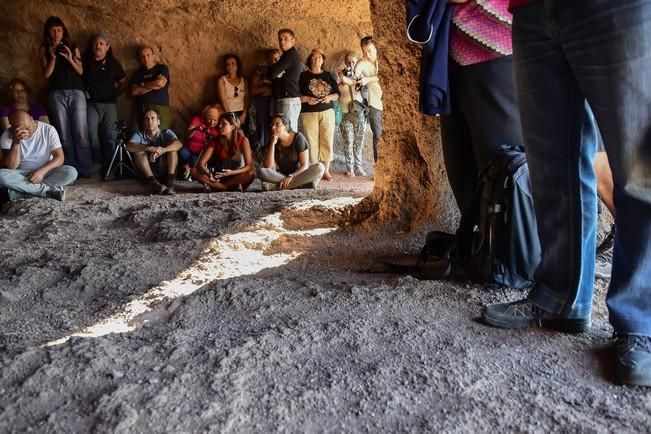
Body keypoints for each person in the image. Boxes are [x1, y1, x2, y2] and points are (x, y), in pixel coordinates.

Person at [482, 0, 651, 387]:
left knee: (640, 167)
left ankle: (642, 318)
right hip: (531, 10)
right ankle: (561, 294)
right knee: (551, 164)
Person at [440, 0, 522, 215]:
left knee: (500, 167)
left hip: (496, 53)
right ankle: (480, 243)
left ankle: (508, 244)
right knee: (463, 168)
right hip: (453, 61)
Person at [40, 16, 91, 178]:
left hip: (76, 92)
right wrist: (53, 58)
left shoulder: (72, 46)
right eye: (53, 30)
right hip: (56, 93)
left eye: (59, 30)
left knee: (81, 132)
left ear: (63, 31)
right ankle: (70, 170)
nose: (56, 34)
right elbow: (46, 74)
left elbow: (81, 71)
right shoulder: (44, 49)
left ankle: (85, 170)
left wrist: (69, 57)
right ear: (48, 33)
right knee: (64, 134)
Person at [0, 110, 77, 201]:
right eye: (21, 129)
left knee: (71, 172)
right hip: (21, 175)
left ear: (32, 119)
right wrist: (16, 143)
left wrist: (41, 172)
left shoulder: (48, 130)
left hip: (46, 171)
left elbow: (60, 158)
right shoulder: (6, 136)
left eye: (28, 128)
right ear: (12, 127)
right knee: (1, 174)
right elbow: (10, 167)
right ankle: (46, 191)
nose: (26, 132)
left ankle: (24, 192)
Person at [83, 33, 127, 179]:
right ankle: (97, 166)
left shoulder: (112, 63)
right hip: (91, 104)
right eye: (95, 43)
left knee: (110, 136)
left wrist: (114, 94)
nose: (98, 46)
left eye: (101, 44)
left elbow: (124, 82)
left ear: (107, 47)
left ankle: (110, 169)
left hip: (109, 104)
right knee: (91, 135)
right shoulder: (86, 61)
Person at [298, 48, 340, 181]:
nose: (317, 60)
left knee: (327, 140)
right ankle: (316, 170)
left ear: (323, 60)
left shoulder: (328, 75)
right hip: (308, 114)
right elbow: (296, 96)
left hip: (327, 112)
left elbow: (337, 94)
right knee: (311, 141)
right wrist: (306, 99)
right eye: (314, 58)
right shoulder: (303, 76)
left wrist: (330, 97)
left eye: (319, 58)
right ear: (310, 60)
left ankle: (326, 171)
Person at [190, 112, 255, 192]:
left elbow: (248, 166)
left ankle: (219, 187)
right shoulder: (215, 141)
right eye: (219, 123)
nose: (220, 126)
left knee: (251, 174)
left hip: (235, 175)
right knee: (194, 171)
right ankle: (225, 187)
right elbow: (201, 163)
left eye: (224, 124)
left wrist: (231, 172)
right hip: (218, 176)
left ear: (233, 126)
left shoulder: (243, 141)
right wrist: (209, 174)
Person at [257, 114, 324, 190]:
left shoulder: (298, 138)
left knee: (320, 167)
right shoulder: (273, 140)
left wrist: (291, 176)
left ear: (286, 127)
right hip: (281, 176)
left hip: (299, 175)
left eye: (277, 125)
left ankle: (277, 186)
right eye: (272, 124)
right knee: (261, 171)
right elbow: (268, 166)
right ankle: (300, 186)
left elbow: (304, 165)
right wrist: (272, 144)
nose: (273, 127)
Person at [126, 109, 181, 195]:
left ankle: (170, 183)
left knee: (173, 149)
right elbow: (129, 146)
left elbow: (179, 144)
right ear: (144, 122)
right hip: (148, 173)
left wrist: (163, 150)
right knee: (138, 150)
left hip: (165, 171)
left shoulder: (166, 132)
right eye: (147, 119)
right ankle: (154, 183)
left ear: (158, 122)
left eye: (152, 118)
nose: (149, 121)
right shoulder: (139, 135)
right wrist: (149, 148)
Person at [267, 29, 303, 132]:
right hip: (285, 99)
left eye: (285, 39)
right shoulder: (285, 57)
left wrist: (273, 69)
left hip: (289, 100)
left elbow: (272, 73)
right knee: (281, 132)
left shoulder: (290, 55)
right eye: (280, 39)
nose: (282, 42)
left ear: (293, 40)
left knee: (288, 132)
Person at [337, 51, 366, 177]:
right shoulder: (340, 75)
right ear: (345, 63)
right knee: (348, 141)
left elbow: (364, 88)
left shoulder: (362, 74)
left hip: (359, 113)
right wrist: (341, 82)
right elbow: (335, 91)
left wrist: (351, 80)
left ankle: (358, 167)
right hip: (345, 112)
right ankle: (350, 168)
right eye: (348, 61)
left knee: (358, 142)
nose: (351, 64)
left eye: (353, 61)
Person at [355, 36, 383, 163]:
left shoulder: (384, 60)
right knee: (378, 137)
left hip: (387, 105)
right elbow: (355, 76)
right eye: (364, 51)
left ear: (376, 48)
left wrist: (368, 79)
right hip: (375, 105)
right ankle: (379, 168)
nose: (367, 54)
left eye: (370, 51)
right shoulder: (362, 63)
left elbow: (382, 76)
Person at [130, 45, 171, 130]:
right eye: (143, 56)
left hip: (160, 107)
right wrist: (153, 85)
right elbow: (134, 91)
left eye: (148, 55)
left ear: (153, 56)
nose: (146, 58)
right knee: (144, 135)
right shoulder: (138, 73)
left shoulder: (162, 68)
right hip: (143, 107)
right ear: (139, 59)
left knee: (162, 134)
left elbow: (160, 83)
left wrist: (142, 85)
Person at [179, 104, 222, 180]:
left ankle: (190, 171)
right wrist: (195, 129)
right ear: (205, 116)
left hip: (201, 154)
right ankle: (187, 168)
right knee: (183, 152)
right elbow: (187, 135)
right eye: (209, 118)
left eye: (215, 120)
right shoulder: (197, 120)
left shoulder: (218, 128)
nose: (212, 122)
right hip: (189, 149)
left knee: (195, 160)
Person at [250, 48, 281, 151]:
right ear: (267, 60)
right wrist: (266, 88)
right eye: (272, 59)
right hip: (262, 104)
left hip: (277, 104)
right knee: (262, 129)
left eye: (277, 59)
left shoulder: (283, 72)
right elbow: (253, 89)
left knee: (276, 127)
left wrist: (271, 90)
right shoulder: (261, 70)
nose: (275, 61)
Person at [217, 54, 249, 132]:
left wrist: (244, 115)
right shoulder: (222, 80)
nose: (230, 66)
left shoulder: (244, 80)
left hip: (242, 113)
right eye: (228, 64)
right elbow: (223, 100)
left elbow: (246, 98)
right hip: (228, 112)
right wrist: (231, 118)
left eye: (233, 63)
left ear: (237, 66)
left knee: (243, 135)